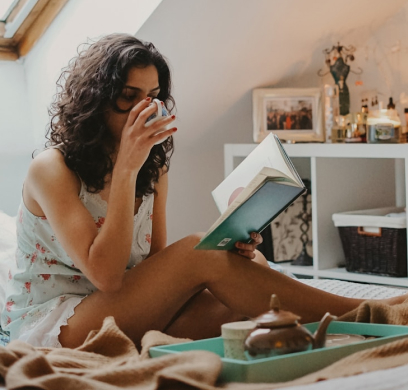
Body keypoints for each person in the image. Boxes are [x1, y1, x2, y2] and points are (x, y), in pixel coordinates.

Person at [1, 33, 405, 350]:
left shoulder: (153, 168)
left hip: (120, 307)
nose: (146, 110)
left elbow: (155, 267)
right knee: (200, 251)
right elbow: (106, 277)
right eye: (129, 97)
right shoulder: (52, 170)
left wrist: (229, 252)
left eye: (154, 97)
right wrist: (125, 169)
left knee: (253, 284)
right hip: (57, 324)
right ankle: (370, 314)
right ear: (95, 100)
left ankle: (345, 322)